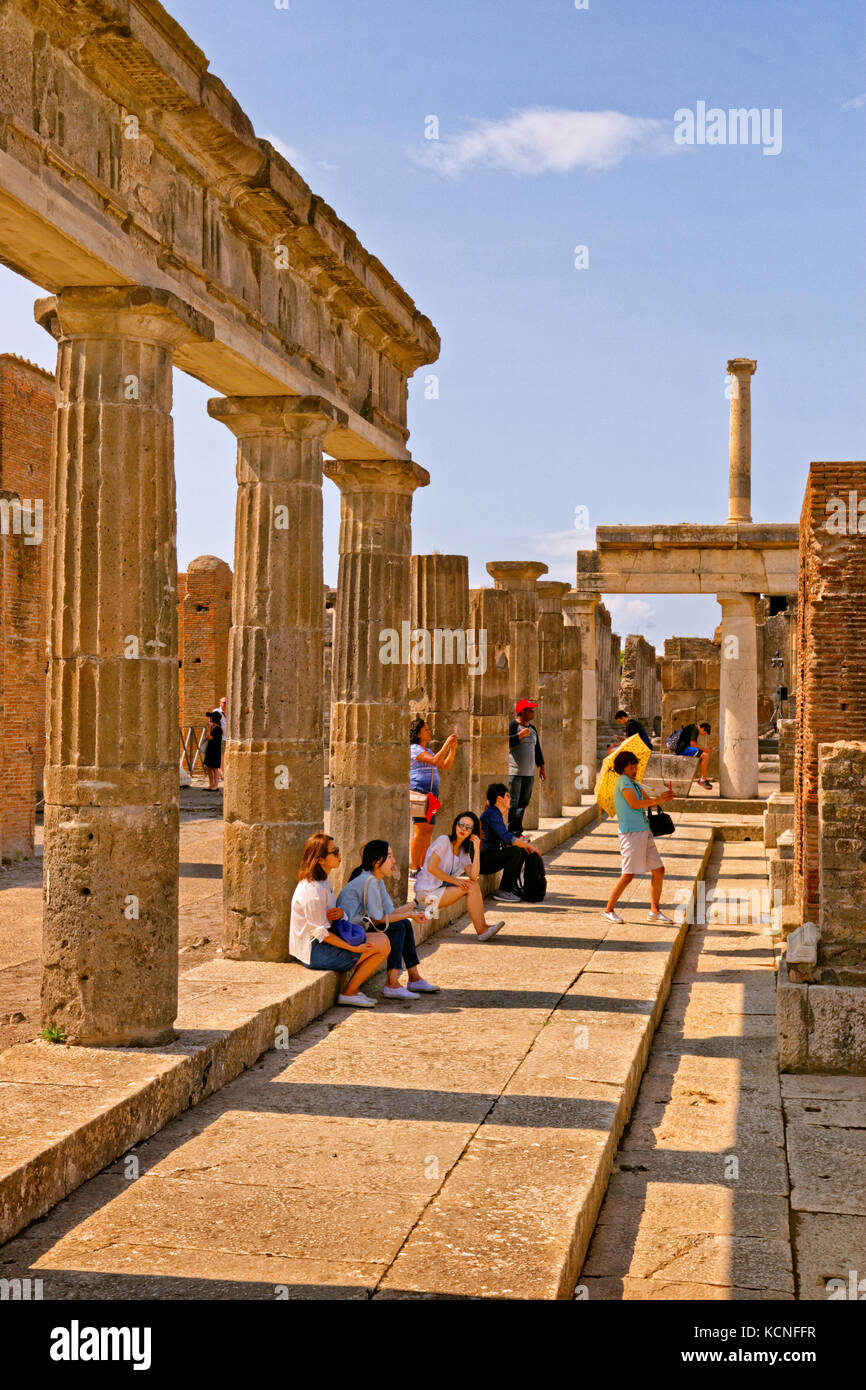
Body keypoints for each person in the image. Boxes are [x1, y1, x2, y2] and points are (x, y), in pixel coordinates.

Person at [289, 833, 389, 1008]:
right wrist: (353, 948)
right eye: (335, 852)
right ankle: (349, 993)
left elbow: (329, 919)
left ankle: (351, 991)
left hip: (324, 942)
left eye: (338, 850)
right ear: (320, 860)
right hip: (314, 952)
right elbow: (321, 934)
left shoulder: (323, 882)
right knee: (380, 945)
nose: (339, 855)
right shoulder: (313, 890)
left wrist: (340, 914)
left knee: (384, 941)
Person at [338, 841, 437, 999]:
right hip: (350, 932)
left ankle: (414, 978)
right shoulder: (367, 881)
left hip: (362, 928)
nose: (394, 861)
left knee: (402, 923)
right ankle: (392, 983)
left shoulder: (377, 880)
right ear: (377, 861)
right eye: (390, 856)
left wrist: (417, 903)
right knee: (398, 926)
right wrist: (410, 914)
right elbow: (378, 920)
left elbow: (391, 913)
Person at [603, 750, 675, 925]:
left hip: (644, 830)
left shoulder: (634, 783)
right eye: (630, 766)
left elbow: (647, 800)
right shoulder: (622, 781)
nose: (634, 768)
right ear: (623, 767)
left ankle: (654, 911)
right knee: (628, 874)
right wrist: (656, 801)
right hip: (631, 833)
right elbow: (634, 804)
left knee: (659, 870)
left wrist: (663, 798)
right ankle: (608, 910)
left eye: (635, 765)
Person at [414, 811, 506, 941]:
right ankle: (482, 930)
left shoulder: (463, 852)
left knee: (473, 885)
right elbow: (431, 867)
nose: (463, 829)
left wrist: (477, 848)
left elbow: (473, 876)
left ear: (472, 832)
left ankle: (483, 927)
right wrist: (456, 881)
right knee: (470, 887)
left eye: (468, 827)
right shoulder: (444, 841)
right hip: (425, 896)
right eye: (461, 824)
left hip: (437, 893)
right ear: (455, 826)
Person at [410, 716, 458, 872]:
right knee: (419, 830)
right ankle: (415, 867)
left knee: (428, 830)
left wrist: (453, 749)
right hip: (419, 792)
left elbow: (445, 764)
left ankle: (422, 866)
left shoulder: (428, 750)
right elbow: (436, 760)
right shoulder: (414, 749)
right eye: (425, 730)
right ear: (418, 733)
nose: (429, 732)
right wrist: (446, 744)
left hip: (432, 795)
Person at [480, 782, 540, 904]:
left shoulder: (495, 813)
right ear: (499, 799)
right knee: (514, 851)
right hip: (482, 860)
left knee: (519, 849)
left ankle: (511, 887)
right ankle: (503, 890)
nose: (510, 798)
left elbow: (505, 838)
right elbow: (507, 838)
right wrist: (527, 845)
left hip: (489, 856)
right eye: (507, 796)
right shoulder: (492, 814)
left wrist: (523, 844)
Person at [508, 699, 545, 833]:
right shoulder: (513, 725)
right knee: (513, 803)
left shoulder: (533, 728)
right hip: (515, 772)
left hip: (529, 773)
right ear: (523, 712)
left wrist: (541, 766)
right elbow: (504, 742)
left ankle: (517, 830)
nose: (533, 713)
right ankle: (510, 830)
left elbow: (537, 749)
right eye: (531, 710)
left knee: (523, 803)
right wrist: (519, 736)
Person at [675, 721, 714, 790]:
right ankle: (702, 779)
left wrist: (704, 750)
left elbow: (693, 745)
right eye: (704, 733)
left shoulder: (693, 727)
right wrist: (705, 749)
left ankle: (703, 778)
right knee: (705, 756)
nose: (703, 734)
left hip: (684, 748)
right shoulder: (695, 729)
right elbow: (693, 745)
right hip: (683, 749)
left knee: (704, 755)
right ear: (702, 728)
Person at [202, 710, 222, 790]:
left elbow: (210, 737)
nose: (209, 719)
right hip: (210, 749)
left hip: (215, 750)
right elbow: (207, 737)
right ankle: (211, 784)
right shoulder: (214, 728)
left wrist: (208, 728)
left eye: (210, 718)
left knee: (214, 768)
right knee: (208, 767)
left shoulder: (218, 729)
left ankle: (215, 785)